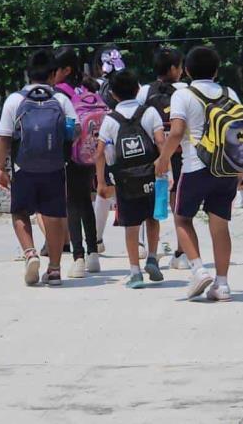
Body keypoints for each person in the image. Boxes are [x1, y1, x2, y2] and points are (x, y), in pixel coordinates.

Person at [158, 46, 242, 302]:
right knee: (220, 225)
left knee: (182, 219)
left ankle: (198, 269)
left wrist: (162, 160)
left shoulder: (183, 95)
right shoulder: (230, 93)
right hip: (227, 168)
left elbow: (176, 132)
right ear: (216, 70)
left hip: (196, 166)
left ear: (186, 70)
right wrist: (240, 170)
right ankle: (223, 284)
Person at [0, 49, 77, 286]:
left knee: (20, 212)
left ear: (28, 73)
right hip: (54, 167)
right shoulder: (61, 100)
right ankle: (54, 269)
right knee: (53, 217)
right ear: (54, 74)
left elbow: (4, 137)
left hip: (24, 168)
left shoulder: (15, 100)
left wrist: (1, 168)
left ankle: (30, 253)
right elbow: (75, 130)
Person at [95, 69, 166, 289]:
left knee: (131, 226)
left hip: (125, 180)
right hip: (151, 176)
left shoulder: (110, 120)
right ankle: (152, 257)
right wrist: (167, 172)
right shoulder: (150, 112)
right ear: (137, 89)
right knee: (153, 219)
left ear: (113, 94)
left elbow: (100, 153)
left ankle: (135, 272)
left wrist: (101, 182)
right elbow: (161, 142)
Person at [138, 46, 190, 269]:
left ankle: (148, 249)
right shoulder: (186, 90)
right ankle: (181, 252)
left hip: (153, 156)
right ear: (173, 68)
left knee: (149, 204)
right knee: (179, 203)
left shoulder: (145, 91)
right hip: (182, 154)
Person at [53, 47, 102, 278]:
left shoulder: (60, 93)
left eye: (57, 69)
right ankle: (93, 255)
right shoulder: (87, 88)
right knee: (85, 202)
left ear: (66, 69)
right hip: (90, 152)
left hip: (71, 154)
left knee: (72, 204)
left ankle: (78, 257)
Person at [92, 45, 127, 255]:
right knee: (133, 190)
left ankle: (95, 240)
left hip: (104, 141)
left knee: (102, 191)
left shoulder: (95, 86)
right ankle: (139, 244)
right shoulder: (133, 83)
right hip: (130, 140)